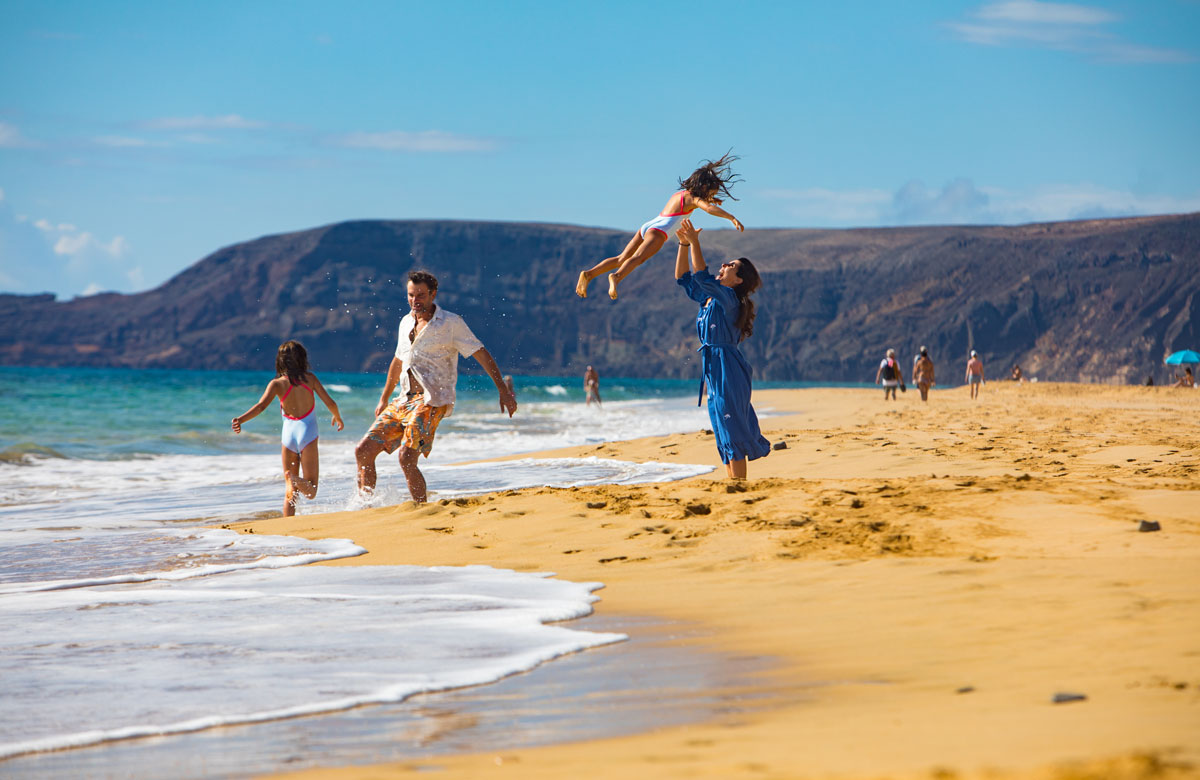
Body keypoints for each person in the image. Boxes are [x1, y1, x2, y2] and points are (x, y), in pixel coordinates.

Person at [355, 270, 517, 504]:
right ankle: (364, 505)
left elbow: (481, 354)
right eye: (411, 295)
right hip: (403, 400)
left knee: (406, 458)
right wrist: (384, 398)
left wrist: (503, 390)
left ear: (433, 294)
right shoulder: (405, 322)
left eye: (420, 295)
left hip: (432, 401)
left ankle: (422, 510)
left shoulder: (450, 323)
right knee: (363, 451)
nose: (415, 300)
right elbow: (398, 362)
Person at [575, 152, 745, 301]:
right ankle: (616, 277)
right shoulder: (694, 199)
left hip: (648, 226)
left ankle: (589, 274)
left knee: (621, 258)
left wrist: (710, 199)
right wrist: (731, 217)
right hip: (658, 232)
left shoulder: (681, 194)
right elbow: (707, 208)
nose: (710, 198)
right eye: (711, 193)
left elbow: (701, 204)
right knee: (639, 258)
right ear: (704, 187)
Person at [674, 219, 769, 479]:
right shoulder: (710, 299)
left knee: (732, 429)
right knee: (721, 428)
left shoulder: (728, 298)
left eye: (732, 266)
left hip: (727, 368)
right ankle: (734, 484)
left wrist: (695, 242)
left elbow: (701, 275)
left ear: (738, 280)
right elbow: (684, 279)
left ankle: (740, 486)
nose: (725, 265)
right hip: (715, 367)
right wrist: (683, 243)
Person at [231, 340, 344, 517]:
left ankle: (287, 525)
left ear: (280, 361)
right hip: (307, 433)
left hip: (288, 436)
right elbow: (330, 402)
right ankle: (294, 479)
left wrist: (241, 419)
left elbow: (260, 406)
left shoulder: (276, 384)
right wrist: (337, 417)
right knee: (311, 491)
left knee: (290, 493)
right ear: (302, 359)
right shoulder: (311, 379)